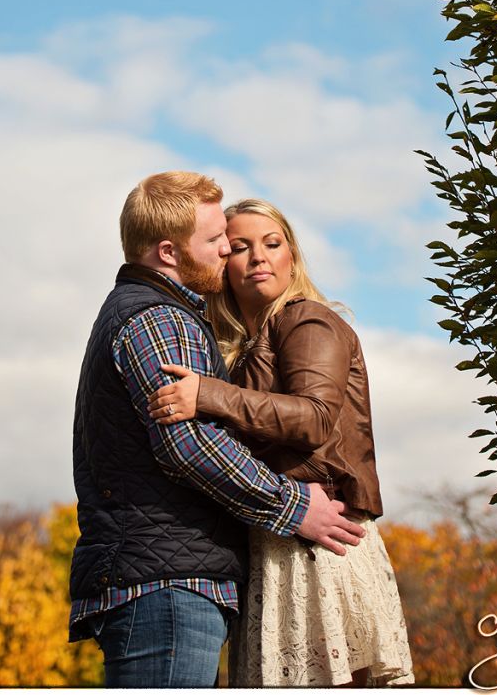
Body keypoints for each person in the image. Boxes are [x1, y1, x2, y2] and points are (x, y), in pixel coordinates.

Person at [69, 172, 366, 689]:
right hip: (167, 582)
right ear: (167, 252)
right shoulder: (162, 319)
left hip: (164, 573)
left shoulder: (161, 314)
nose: (228, 248)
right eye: (215, 241)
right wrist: (294, 505)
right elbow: (189, 444)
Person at [148, 197, 415, 687]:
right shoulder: (237, 344)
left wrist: (208, 394)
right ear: (222, 262)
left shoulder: (307, 320)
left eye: (272, 244)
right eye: (240, 247)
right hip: (275, 542)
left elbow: (312, 419)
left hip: (326, 543)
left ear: (292, 254)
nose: (258, 258)